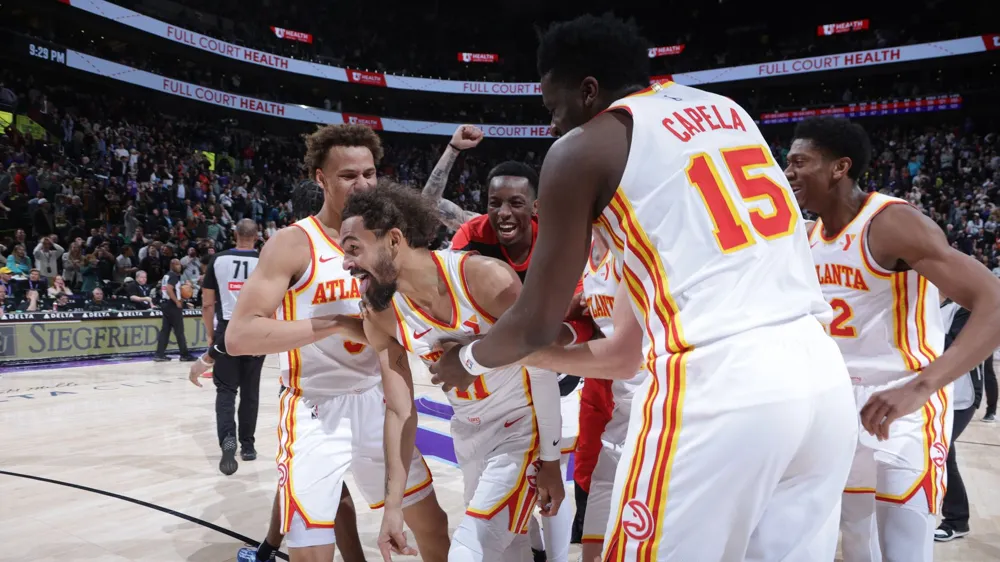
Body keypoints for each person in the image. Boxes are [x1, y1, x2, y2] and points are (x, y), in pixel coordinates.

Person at [430, 14, 858, 561]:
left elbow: (536, 319)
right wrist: (541, 359)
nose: (552, 125)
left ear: (588, 91)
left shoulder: (582, 150)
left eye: (552, 107)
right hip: (821, 379)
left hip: (716, 386)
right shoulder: (727, 111)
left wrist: (468, 359)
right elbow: (626, 352)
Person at [225, 124, 450, 562]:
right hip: (314, 407)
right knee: (313, 553)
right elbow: (240, 335)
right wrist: (335, 324)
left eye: (369, 173)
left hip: (376, 400)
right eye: (348, 175)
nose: (362, 184)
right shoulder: (294, 242)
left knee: (433, 526)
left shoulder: (389, 239)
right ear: (320, 179)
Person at [789, 116, 1000, 561]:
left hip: (905, 405)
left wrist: (920, 387)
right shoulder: (803, 235)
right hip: (837, 404)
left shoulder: (891, 222)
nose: (788, 173)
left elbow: (993, 303)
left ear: (839, 168)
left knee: (902, 546)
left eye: (799, 162)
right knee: (856, 543)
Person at [337, 182, 566, 562]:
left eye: (354, 249)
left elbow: (545, 367)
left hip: (521, 431)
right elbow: (399, 409)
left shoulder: (484, 279)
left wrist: (552, 460)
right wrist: (393, 506)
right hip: (468, 434)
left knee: (469, 551)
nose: (346, 263)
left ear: (394, 240)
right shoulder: (381, 311)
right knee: (511, 547)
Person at [431, 159, 584, 562]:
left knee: (551, 470)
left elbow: (564, 318)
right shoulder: (471, 235)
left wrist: (502, 336)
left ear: (535, 207)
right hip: (495, 372)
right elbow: (455, 300)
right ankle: (532, 549)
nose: (503, 213)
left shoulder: (556, 239)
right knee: (509, 483)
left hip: (548, 363)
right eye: (494, 202)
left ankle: (555, 555)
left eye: (516, 202)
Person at [574, 234, 647, 562]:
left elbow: (623, 355)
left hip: (657, 404)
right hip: (623, 408)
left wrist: (524, 353)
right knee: (599, 497)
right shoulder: (589, 246)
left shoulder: (633, 248)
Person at [189, 219, 266, 475]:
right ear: (257, 236)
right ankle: (248, 445)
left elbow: (208, 304)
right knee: (250, 391)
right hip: (256, 329)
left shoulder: (218, 260)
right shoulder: (265, 260)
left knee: (225, 390)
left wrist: (212, 337)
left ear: (235, 235)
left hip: (227, 329)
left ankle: (227, 440)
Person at [935, 295, 981, 542]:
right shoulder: (921, 304)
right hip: (930, 394)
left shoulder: (961, 310)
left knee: (942, 452)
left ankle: (956, 519)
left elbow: (955, 349)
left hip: (961, 397)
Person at [154, 258, 196, 362]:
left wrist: (179, 297)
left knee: (165, 331)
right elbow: (169, 289)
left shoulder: (166, 275)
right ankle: (184, 355)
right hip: (172, 305)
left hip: (165, 304)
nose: (179, 266)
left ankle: (159, 354)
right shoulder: (173, 276)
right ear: (172, 265)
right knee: (179, 331)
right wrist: (177, 301)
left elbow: (165, 289)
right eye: (177, 264)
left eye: (180, 264)